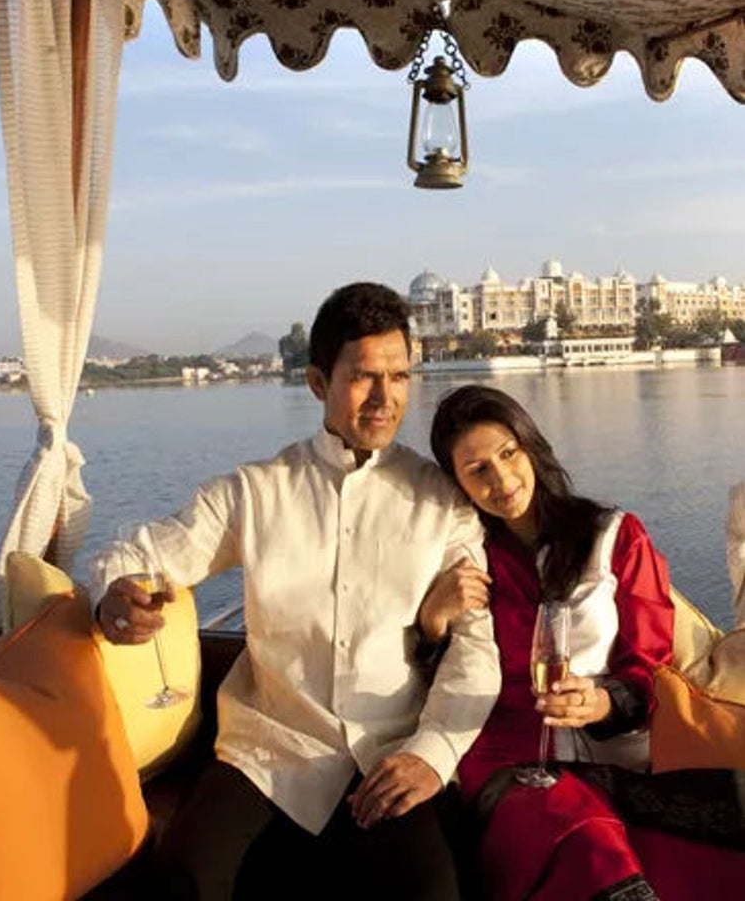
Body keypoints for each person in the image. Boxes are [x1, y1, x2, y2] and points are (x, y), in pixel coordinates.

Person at [90, 283, 500, 901]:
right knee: (185, 879)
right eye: (364, 377)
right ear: (317, 382)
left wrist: (434, 752)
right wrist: (110, 596)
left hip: (391, 747)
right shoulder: (255, 493)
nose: (386, 398)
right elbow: (133, 556)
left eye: (400, 375)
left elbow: (478, 647)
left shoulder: (439, 500)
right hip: (270, 748)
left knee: (435, 890)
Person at [419, 384, 675, 901]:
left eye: (508, 454)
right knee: (589, 848)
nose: (502, 479)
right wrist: (432, 621)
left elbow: (653, 667)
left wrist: (601, 701)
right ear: (458, 485)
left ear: (530, 445)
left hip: (617, 759)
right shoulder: (460, 561)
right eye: (477, 470)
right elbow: (430, 679)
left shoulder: (614, 537)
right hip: (508, 765)